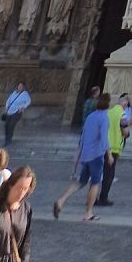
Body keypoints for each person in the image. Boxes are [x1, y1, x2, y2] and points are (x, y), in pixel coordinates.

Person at [53, 93, 111, 222]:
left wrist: (80, 152)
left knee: (81, 182)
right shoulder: (104, 118)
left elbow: (83, 136)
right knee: (95, 183)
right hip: (96, 155)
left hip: (86, 154)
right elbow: (104, 138)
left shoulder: (90, 117)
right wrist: (109, 153)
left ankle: (61, 200)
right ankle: (88, 213)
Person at [97, 92, 126, 206]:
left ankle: (93, 198)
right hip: (113, 149)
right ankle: (103, 198)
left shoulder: (108, 113)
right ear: (124, 103)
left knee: (98, 173)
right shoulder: (122, 113)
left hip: (103, 147)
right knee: (109, 175)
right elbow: (125, 130)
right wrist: (126, 134)